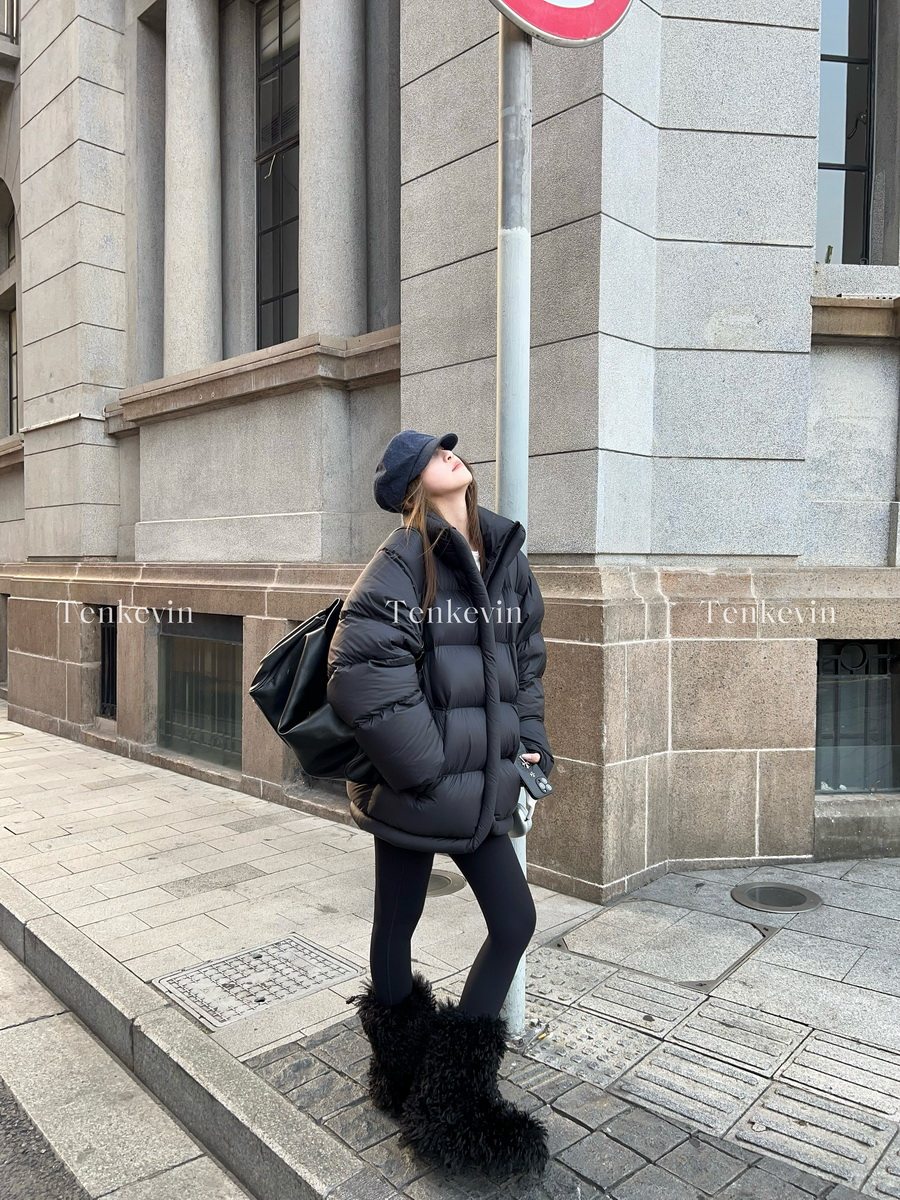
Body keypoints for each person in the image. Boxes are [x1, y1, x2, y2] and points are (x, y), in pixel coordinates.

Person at [326, 429, 555, 1179]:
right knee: (397, 922)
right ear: (411, 487)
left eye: (449, 449)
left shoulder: (505, 554)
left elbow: (526, 664)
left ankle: (449, 1095)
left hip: (483, 784)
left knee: (514, 922)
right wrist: (426, 769)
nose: (450, 455)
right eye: (432, 454)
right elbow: (360, 672)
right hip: (418, 786)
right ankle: (401, 1075)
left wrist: (527, 741)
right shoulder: (401, 559)